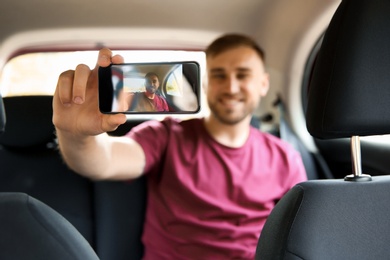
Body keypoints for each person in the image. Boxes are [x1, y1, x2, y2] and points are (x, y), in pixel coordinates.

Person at [53, 33, 307, 259]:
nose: (231, 87)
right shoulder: (166, 135)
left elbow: (298, 236)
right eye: (219, 75)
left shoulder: (286, 157)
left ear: (263, 84)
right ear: (205, 83)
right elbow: (104, 161)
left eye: (243, 75)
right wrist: (76, 135)